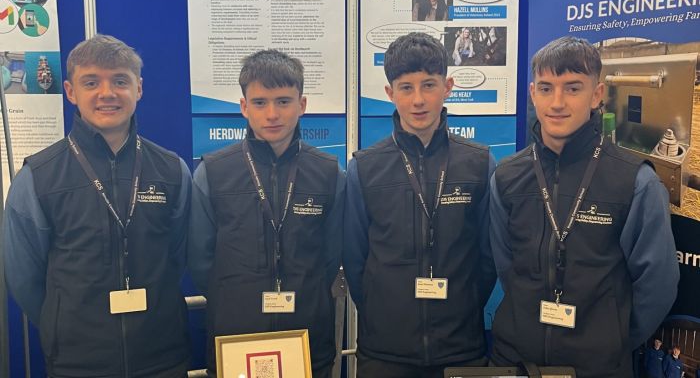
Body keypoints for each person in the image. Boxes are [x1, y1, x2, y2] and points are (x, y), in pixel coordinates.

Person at [489, 36, 679, 378]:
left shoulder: (635, 182)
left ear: (596, 94)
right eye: (546, 88)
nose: (557, 102)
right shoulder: (506, 176)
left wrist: (610, 339)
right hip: (516, 362)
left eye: (572, 88)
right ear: (532, 93)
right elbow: (506, 265)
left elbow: (658, 284)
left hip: (598, 368)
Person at [3, 34, 192, 377]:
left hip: (161, 356)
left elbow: (177, 254)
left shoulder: (172, 170)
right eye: (91, 82)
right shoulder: (38, 177)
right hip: (78, 361)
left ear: (139, 89)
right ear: (71, 92)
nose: (107, 93)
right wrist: (65, 319)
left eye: (120, 80)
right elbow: (25, 278)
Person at [344, 32, 496, 378]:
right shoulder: (365, 168)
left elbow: (488, 256)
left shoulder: (479, 163)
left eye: (429, 85)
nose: (418, 100)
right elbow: (355, 259)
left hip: (461, 348)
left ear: (448, 86)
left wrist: (466, 304)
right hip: (385, 352)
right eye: (406, 88)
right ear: (389, 93)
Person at [188, 49, 344, 378]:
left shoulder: (328, 173)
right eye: (260, 102)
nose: (272, 114)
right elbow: (201, 260)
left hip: (307, 339)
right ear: (244, 107)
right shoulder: (213, 172)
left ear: (302, 105)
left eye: (283, 101)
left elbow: (331, 256)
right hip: (236, 339)